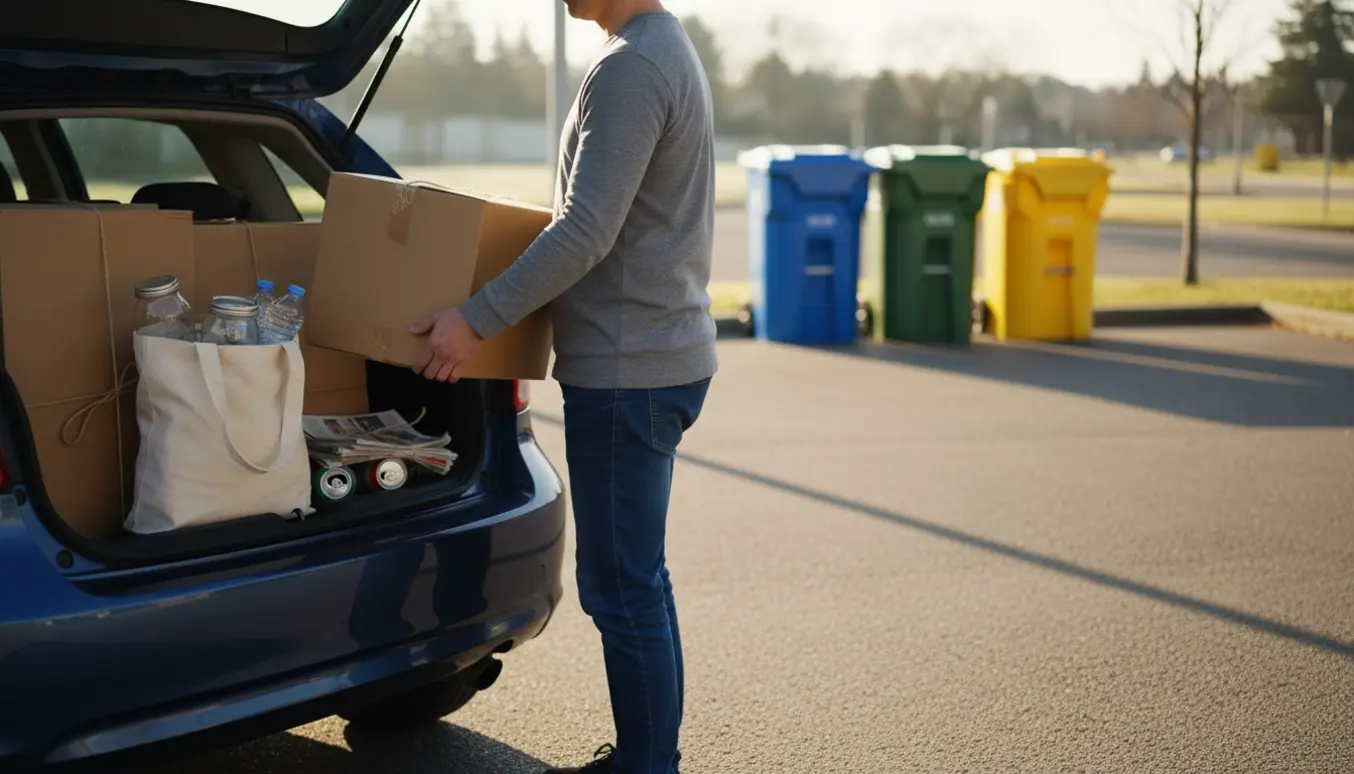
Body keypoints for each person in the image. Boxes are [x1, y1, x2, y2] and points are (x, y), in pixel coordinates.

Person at [406, 0, 717, 771]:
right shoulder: (658, 49)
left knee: (620, 587)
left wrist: (475, 320)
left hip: (628, 371)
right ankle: (649, 757)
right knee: (638, 578)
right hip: (656, 357)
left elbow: (586, 228)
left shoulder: (632, 68)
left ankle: (648, 765)